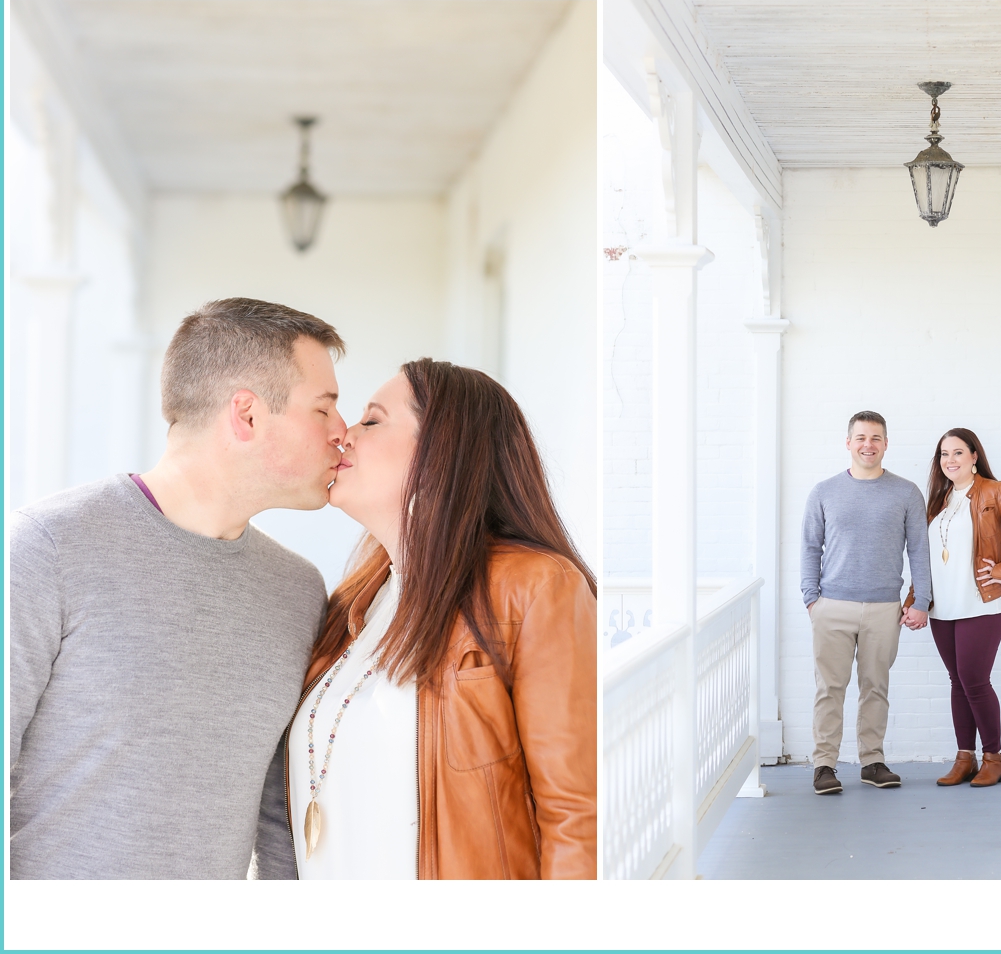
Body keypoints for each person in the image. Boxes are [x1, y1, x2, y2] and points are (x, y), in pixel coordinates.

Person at [9, 298, 347, 879]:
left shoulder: (299, 591)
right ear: (246, 414)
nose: (344, 433)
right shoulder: (48, 548)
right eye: (324, 409)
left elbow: (278, 815)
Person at [285, 358, 596, 879]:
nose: (344, 434)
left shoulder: (534, 587)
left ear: (441, 452)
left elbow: (577, 818)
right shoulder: (350, 606)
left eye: (373, 419)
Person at [903, 428, 1001, 787]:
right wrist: (914, 600)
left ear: (974, 456)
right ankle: (964, 757)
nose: (950, 460)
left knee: (975, 681)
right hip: (942, 607)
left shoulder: (995, 492)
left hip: (981, 603)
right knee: (957, 681)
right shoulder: (938, 500)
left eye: (958, 453)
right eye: (943, 455)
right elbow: (926, 557)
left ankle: (993, 757)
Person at [801, 411, 932, 795]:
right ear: (848, 443)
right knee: (830, 688)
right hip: (832, 606)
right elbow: (810, 547)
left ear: (886, 444)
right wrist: (812, 598)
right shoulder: (823, 492)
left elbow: (919, 550)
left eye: (875, 438)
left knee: (876, 687)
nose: (868, 445)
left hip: (883, 608)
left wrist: (920, 600)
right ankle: (824, 765)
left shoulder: (906, 492)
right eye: (860, 438)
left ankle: (871, 761)